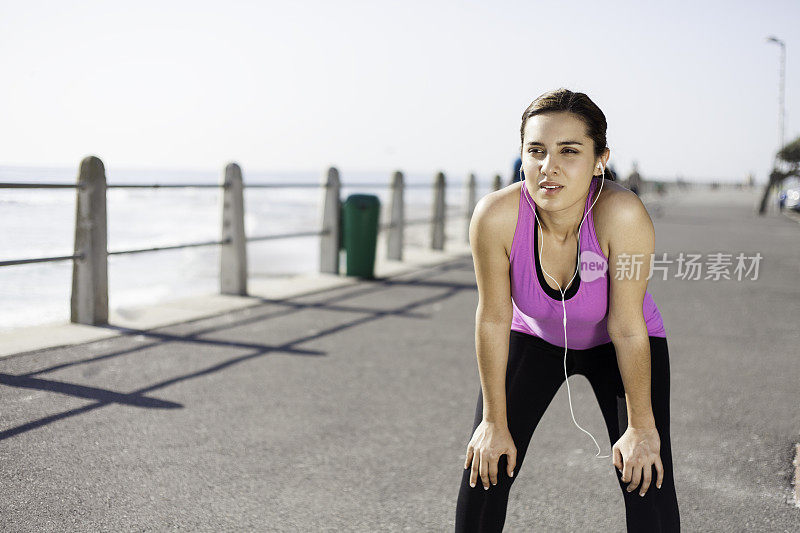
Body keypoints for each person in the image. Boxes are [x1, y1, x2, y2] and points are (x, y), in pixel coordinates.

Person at [455, 88, 680, 532]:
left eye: (569, 151)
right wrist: (492, 422)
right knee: (485, 464)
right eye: (535, 150)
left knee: (646, 474)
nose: (548, 166)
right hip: (534, 336)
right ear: (521, 155)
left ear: (600, 159)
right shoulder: (496, 216)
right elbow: (494, 318)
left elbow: (627, 327)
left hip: (621, 342)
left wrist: (640, 427)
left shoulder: (621, 214)